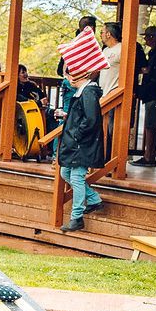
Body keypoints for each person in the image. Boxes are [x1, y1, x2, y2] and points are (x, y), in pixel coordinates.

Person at [58, 63, 106, 232]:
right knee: (65, 172)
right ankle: (93, 199)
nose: (69, 77)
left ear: (83, 75)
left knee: (77, 177)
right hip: (77, 143)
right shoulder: (83, 93)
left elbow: (91, 119)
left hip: (82, 144)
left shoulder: (89, 92)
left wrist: (77, 135)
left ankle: (76, 217)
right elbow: (82, 116)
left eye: (71, 73)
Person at [132, 25, 156, 166]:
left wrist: (142, 90)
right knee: (152, 126)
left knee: (151, 127)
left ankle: (149, 157)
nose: (145, 39)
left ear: (153, 38)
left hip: (154, 95)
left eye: (147, 36)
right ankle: (149, 155)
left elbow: (154, 77)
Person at [99, 22, 123, 97]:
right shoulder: (105, 50)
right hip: (103, 95)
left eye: (102, 32)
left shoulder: (121, 48)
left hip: (113, 96)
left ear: (108, 34)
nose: (100, 35)